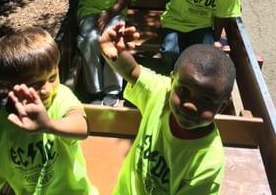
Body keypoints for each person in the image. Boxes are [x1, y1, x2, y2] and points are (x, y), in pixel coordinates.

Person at [99, 23, 236, 194]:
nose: (190, 106)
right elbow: (132, 70)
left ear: (222, 106)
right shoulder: (161, 94)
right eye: (183, 91)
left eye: (206, 101)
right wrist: (115, 53)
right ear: (172, 82)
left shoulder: (208, 162)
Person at [0, 27, 98, 194]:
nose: (47, 90)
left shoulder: (60, 98)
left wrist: (48, 125)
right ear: (8, 85)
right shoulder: (0, 128)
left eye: (52, 77)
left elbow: (82, 127)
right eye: (35, 84)